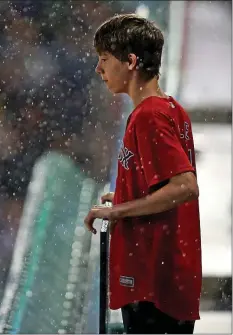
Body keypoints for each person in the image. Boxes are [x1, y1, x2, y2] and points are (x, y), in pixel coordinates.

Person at [83, 14, 202, 334]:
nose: (99, 69)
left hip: (153, 282)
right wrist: (126, 195)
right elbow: (166, 183)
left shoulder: (149, 116)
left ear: (131, 61)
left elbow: (185, 186)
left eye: (104, 60)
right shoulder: (171, 108)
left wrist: (118, 210)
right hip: (166, 279)